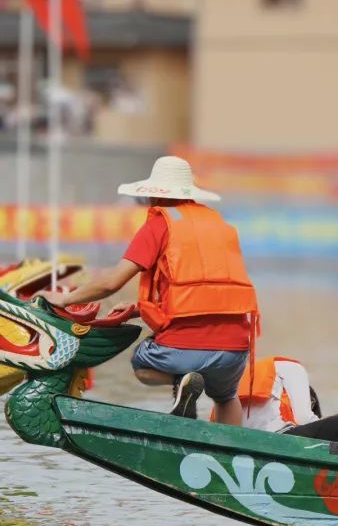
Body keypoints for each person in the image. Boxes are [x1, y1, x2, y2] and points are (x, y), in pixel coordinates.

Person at [42, 156, 259, 425]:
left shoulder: (159, 224)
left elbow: (111, 281)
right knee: (226, 396)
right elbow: (206, 289)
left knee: (141, 363)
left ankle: (183, 381)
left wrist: (66, 298)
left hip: (183, 348)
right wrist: (136, 309)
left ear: (154, 194)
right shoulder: (218, 224)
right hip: (235, 349)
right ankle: (230, 452)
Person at [217, 357, 338, 447]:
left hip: (248, 444)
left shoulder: (240, 377)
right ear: (312, 401)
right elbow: (304, 418)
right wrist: (333, 423)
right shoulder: (292, 368)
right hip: (278, 441)